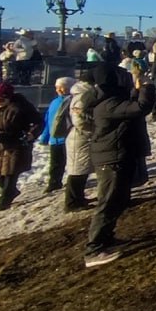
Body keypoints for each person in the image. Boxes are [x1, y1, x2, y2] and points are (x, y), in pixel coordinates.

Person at [84, 62, 155, 267]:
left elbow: (130, 105)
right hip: (111, 159)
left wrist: (137, 90)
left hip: (116, 155)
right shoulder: (108, 104)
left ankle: (106, 238)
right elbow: (139, 108)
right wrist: (147, 87)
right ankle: (94, 248)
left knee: (118, 200)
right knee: (107, 202)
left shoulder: (109, 100)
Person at [0, 82, 43, 210]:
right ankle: (11, 191)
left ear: (8, 97)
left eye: (1, 100)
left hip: (17, 143)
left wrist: (31, 134)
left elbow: (38, 122)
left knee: (11, 173)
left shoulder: (22, 107)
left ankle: (4, 201)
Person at [36, 76, 76, 193]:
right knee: (55, 163)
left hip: (68, 138)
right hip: (55, 139)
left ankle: (73, 183)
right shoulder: (54, 102)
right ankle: (54, 182)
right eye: (57, 87)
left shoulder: (73, 101)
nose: (59, 90)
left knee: (71, 163)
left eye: (62, 87)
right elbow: (48, 121)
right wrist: (45, 137)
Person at [64, 71, 96, 211]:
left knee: (81, 169)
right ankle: (72, 203)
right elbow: (79, 119)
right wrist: (93, 126)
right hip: (81, 137)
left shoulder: (80, 93)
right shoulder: (83, 95)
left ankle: (78, 198)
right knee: (78, 171)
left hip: (81, 137)